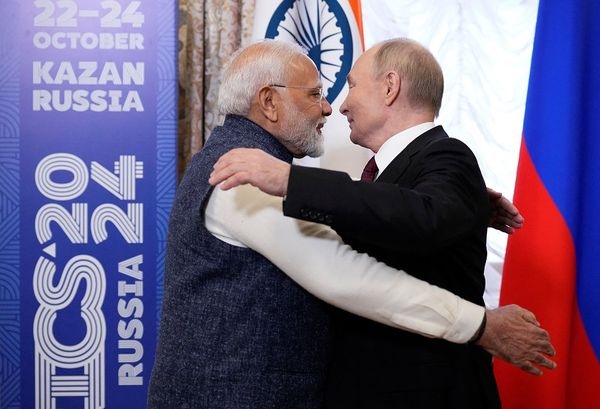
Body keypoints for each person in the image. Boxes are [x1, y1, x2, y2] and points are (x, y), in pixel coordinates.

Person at [148, 39, 554, 409]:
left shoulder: (258, 168)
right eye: (315, 94)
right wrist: (479, 324)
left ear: (391, 87)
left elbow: (408, 217)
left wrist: (462, 203)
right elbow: (340, 272)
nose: (332, 107)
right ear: (269, 103)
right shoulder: (240, 173)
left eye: (348, 88)